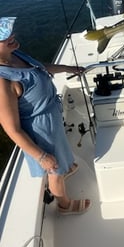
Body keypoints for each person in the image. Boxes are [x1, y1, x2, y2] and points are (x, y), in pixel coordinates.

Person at [0, 17, 91, 215]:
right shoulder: (3, 82)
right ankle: (65, 205)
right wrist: (41, 156)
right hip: (40, 130)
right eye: (5, 36)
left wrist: (68, 69)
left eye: (10, 32)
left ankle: (64, 167)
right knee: (54, 169)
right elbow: (11, 129)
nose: (12, 36)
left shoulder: (15, 55)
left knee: (61, 155)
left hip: (52, 118)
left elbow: (39, 67)